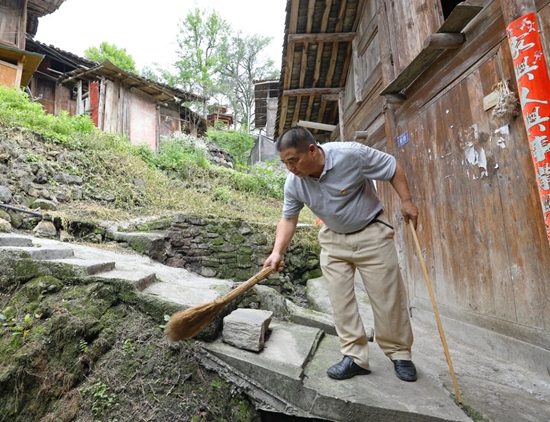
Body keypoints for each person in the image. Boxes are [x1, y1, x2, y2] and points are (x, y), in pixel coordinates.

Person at [263, 126, 419, 382]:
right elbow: (288, 219)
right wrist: (276, 251)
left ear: (311, 150)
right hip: (333, 238)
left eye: (293, 160)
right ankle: (355, 357)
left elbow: (392, 167)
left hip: (371, 232)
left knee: (387, 298)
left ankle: (399, 353)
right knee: (340, 300)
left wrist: (407, 200)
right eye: (284, 163)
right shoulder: (294, 183)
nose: (290, 168)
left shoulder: (350, 155)